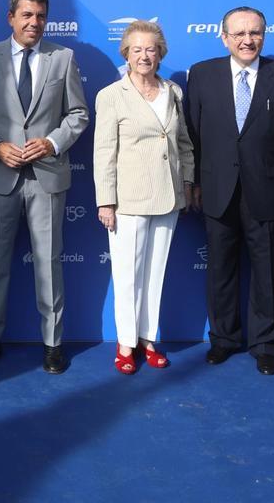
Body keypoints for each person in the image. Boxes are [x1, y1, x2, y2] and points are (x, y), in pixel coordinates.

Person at [0, 0, 89, 374]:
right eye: (27, 15)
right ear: (11, 18)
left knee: (49, 265)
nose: (35, 23)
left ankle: (52, 344)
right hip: (0, 176)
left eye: (41, 16)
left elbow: (78, 115)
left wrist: (51, 143)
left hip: (47, 178)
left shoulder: (63, 58)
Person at [185, 6, 274, 376]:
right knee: (220, 269)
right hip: (216, 190)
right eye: (238, 33)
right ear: (224, 37)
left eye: (254, 33)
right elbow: (191, 136)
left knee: (268, 271)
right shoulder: (202, 75)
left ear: (264, 36)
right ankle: (223, 339)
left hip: (268, 190)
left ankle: (266, 344)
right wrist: (194, 183)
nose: (247, 40)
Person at [93, 20, 193, 375]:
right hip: (128, 200)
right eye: (136, 49)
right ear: (126, 53)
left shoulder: (173, 92)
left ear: (160, 52)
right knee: (127, 274)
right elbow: (104, 151)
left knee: (155, 273)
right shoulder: (110, 95)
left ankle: (148, 339)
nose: (144, 55)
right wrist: (106, 200)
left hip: (168, 196)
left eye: (150, 48)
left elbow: (183, 143)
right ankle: (125, 343)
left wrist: (187, 181)